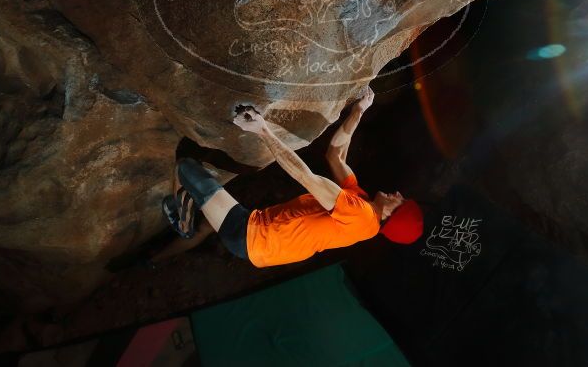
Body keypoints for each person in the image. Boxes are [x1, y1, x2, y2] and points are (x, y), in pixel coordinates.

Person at [154, 89, 423, 267]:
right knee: (201, 191)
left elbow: (305, 176)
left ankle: (183, 223)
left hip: (252, 236)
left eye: (401, 202)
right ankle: (183, 225)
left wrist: (263, 130)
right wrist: (358, 111)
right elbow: (335, 155)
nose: (398, 194)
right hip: (260, 237)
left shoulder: (361, 215)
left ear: (392, 216)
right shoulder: (362, 202)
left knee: (186, 167)